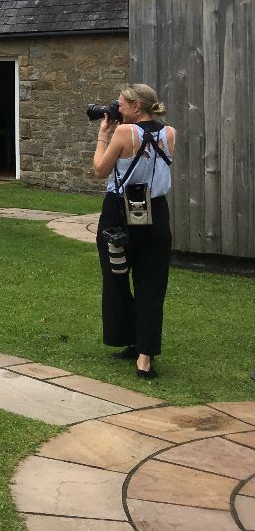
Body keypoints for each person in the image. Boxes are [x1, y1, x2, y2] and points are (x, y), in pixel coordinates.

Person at [92, 83, 176, 380]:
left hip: (120, 211)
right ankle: (144, 355)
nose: (116, 110)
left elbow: (101, 169)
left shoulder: (123, 133)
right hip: (156, 212)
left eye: (121, 105)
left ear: (136, 107)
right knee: (151, 285)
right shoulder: (169, 133)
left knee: (116, 277)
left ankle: (128, 336)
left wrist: (103, 137)